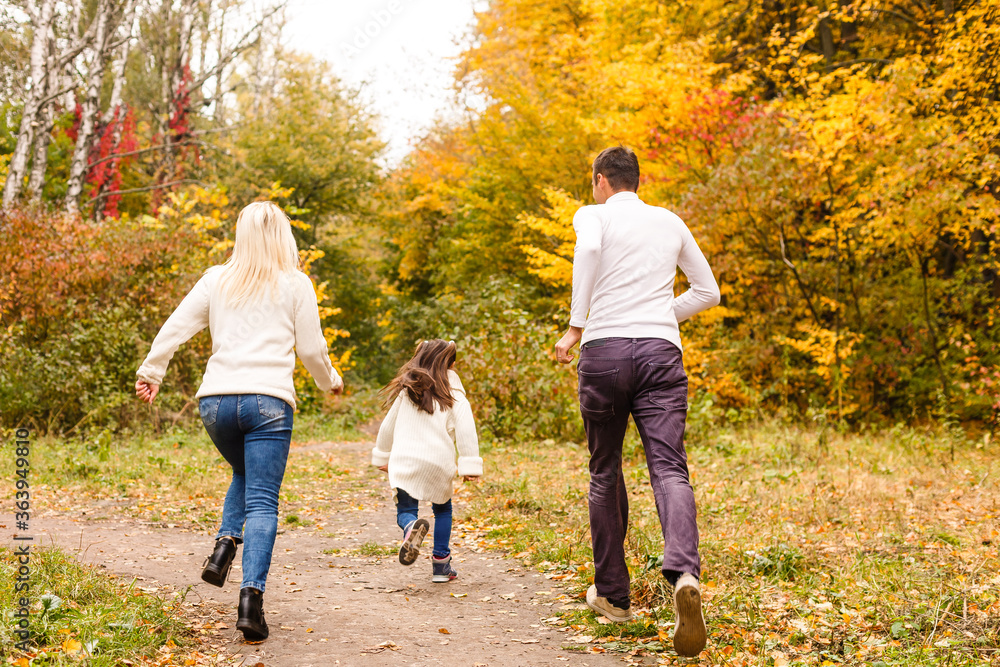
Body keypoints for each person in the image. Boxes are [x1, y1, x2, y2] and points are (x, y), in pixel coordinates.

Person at [135, 201, 343, 642]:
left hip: (215, 404)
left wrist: (151, 371)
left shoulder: (217, 279)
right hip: (268, 402)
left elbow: (176, 327)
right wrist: (331, 383)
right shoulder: (296, 283)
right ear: (282, 235)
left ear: (241, 234)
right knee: (263, 501)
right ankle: (251, 602)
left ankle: (225, 545)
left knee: (244, 472)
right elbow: (311, 350)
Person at [554, 146, 720, 657]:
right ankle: (684, 574)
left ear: (602, 180)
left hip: (603, 352)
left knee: (605, 470)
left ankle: (613, 595)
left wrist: (577, 325)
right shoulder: (670, 221)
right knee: (670, 468)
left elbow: (586, 256)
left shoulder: (593, 216)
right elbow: (707, 291)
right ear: (636, 181)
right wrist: (659, 315)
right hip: (660, 353)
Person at [371, 339, 482, 582]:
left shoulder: (407, 392)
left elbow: (387, 427)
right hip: (438, 462)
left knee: (406, 510)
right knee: (443, 509)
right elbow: (466, 431)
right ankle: (441, 565)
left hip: (404, 460)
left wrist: (382, 455)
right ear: (451, 364)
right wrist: (469, 463)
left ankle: (411, 527)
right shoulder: (455, 396)